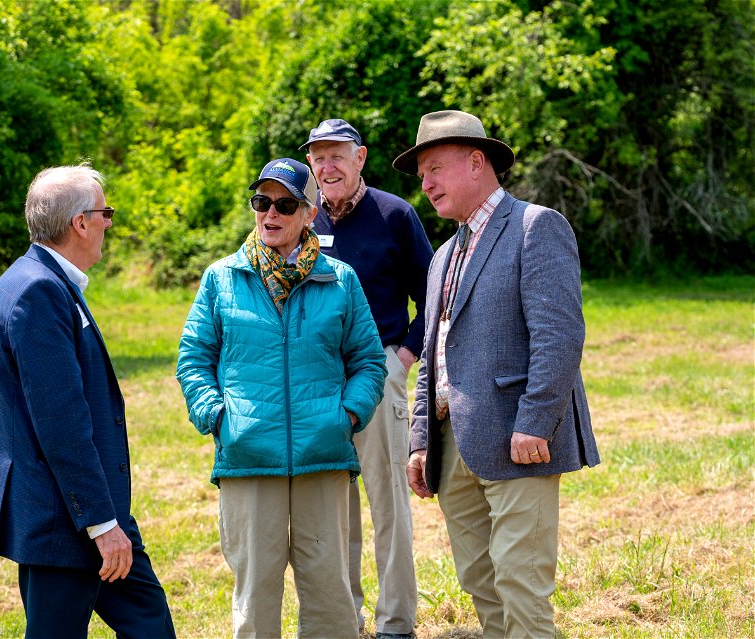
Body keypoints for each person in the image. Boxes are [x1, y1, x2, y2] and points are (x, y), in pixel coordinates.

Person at [393, 111, 600, 639]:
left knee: (519, 584)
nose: (426, 184)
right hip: (451, 443)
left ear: (477, 162)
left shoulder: (536, 226)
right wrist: (420, 439)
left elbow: (559, 336)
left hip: (518, 440)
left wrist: (535, 420)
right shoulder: (442, 256)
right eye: (421, 175)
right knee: (480, 581)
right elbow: (433, 350)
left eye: (435, 169)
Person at [175, 158, 387, 639]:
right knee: (255, 597)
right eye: (261, 202)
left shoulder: (340, 279)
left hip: (324, 454)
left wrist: (347, 415)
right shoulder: (221, 279)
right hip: (248, 456)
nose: (270, 214)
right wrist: (218, 417)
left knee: (331, 593)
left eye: (285, 205)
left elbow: (369, 361)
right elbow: (193, 361)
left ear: (310, 212)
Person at [0, 164, 175, 639]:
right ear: (80, 223)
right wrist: (103, 525)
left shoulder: (41, 279)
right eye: (104, 212)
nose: (110, 222)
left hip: (87, 516)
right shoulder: (38, 290)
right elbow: (60, 422)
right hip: (66, 524)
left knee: (150, 623)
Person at [300, 118, 432, 639]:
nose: (327, 167)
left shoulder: (394, 214)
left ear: (361, 158)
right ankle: (343, 619)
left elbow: (435, 296)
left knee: (388, 501)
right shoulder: (301, 216)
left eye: (338, 156)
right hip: (318, 379)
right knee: (334, 504)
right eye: (318, 157)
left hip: (378, 369)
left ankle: (396, 621)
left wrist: (402, 359)